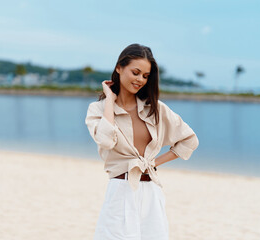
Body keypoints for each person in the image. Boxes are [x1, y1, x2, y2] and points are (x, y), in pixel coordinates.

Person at [85, 43, 199, 240]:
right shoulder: (98, 110)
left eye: (145, 76)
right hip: (120, 190)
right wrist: (110, 101)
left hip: (151, 192)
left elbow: (189, 140)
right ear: (119, 68)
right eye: (135, 72)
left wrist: (153, 163)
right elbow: (105, 140)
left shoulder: (156, 109)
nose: (140, 80)